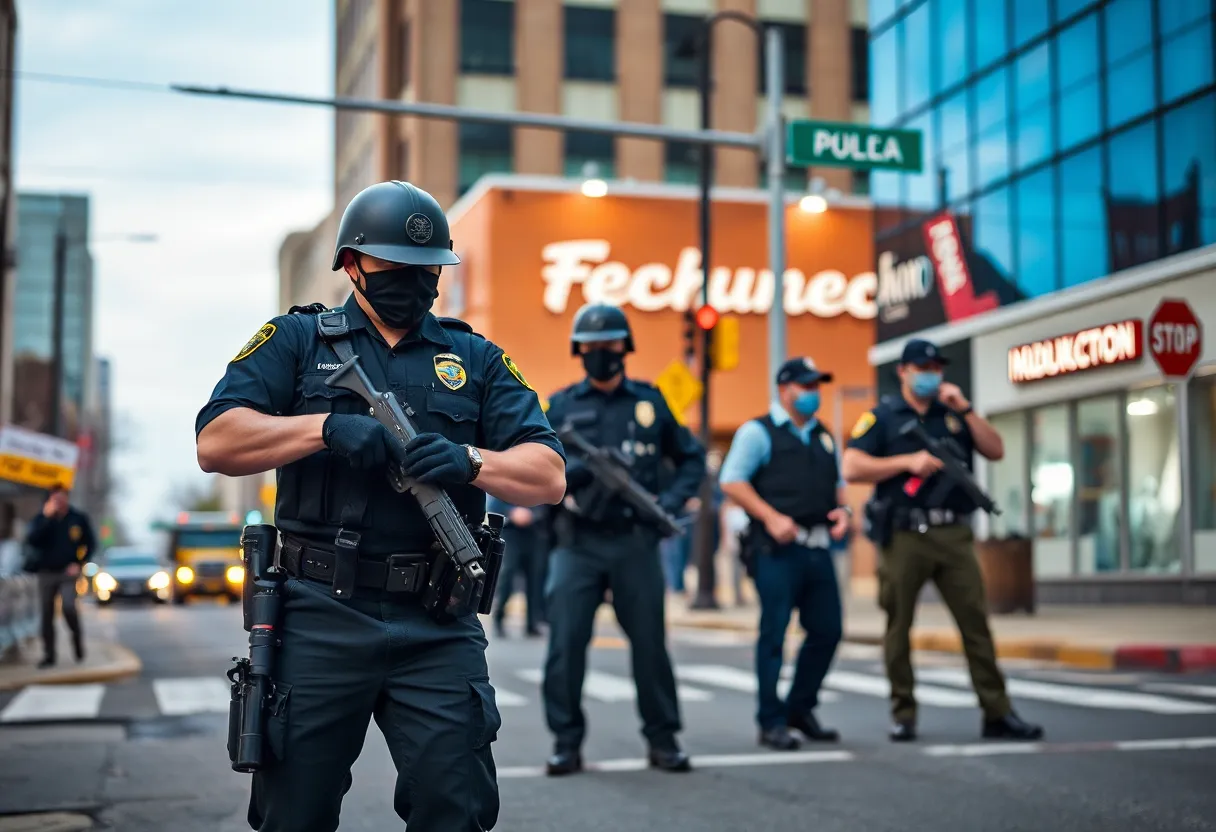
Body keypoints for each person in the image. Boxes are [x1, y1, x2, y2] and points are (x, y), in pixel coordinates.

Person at [195, 179, 566, 832]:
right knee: (294, 814)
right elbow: (217, 441)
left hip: (436, 616)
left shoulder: (474, 358)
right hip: (317, 614)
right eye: (395, 266)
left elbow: (549, 475)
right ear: (352, 264)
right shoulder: (297, 340)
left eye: (427, 270)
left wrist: (471, 460)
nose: (414, 281)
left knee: (457, 810)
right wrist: (323, 429)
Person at [841, 338, 1043, 743]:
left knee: (975, 624)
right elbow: (851, 465)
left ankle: (997, 713)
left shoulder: (952, 415)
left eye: (936, 367)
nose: (931, 374)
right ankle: (904, 714)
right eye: (922, 367)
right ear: (903, 371)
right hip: (904, 535)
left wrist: (964, 407)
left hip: (953, 533)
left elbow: (996, 449)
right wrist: (905, 462)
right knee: (899, 626)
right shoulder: (882, 417)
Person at [541, 302, 706, 777]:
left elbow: (692, 460)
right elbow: (539, 464)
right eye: (591, 348)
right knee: (566, 645)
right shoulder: (561, 406)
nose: (601, 354)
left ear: (625, 348)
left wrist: (669, 503)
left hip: (636, 541)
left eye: (609, 346)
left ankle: (663, 738)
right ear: (579, 351)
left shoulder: (651, 403)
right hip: (579, 543)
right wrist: (579, 477)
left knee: (651, 645)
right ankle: (565, 742)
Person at [719, 357, 849, 751]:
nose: (813, 394)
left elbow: (838, 486)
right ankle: (771, 720)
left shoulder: (823, 435)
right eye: (806, 386)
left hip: (818, 546)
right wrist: (772, 517)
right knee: (774, 634)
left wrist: (844, 512)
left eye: (817, 386)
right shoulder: (758, 432)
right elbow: (732, 481)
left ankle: (799, 708)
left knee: (828, 630)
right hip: (775, 550)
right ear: (784, 388)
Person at [24, 484, 96, 668]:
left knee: (69, 607)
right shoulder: (42, 518)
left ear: (67, 498)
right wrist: (47, 518)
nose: (59, 501)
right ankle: (49, 655)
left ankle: (77, 639)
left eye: (62, 497)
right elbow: (33, 540)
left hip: (68, 572)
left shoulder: (77, 518)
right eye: (55, 497)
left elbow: (91, 543)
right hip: (46, 572)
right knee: (46, 613)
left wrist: (79, 563)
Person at [487, 494, 545, 638]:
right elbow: (494, 505)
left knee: (534, 579)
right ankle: (499, 619)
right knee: (508, 575)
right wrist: (511, 512)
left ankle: (532, 623)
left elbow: (548, 502)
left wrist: (534, 514)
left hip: (534, 533)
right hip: (511, 532)